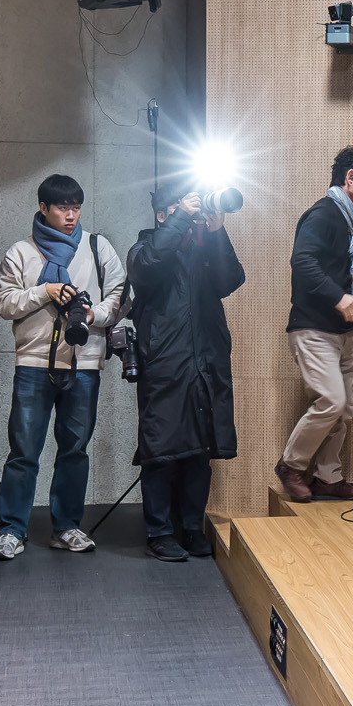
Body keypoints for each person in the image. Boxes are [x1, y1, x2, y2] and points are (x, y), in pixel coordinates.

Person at [0, 175, 126, 560]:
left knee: (74, 449)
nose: (71, 215)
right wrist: (44, 292)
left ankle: (66, 526)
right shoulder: (22, 251)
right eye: (63, 208)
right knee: (24, 450)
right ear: (43, 208)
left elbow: (119, 296)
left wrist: (91, 313)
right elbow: (4, 304)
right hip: (33, 363)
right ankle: (11, 530)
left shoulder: (97, 247)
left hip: (84, 363)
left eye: (76, 207)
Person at [127, 175, 245, 561]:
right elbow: (147, 269)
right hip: (165, 363)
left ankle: (192, 527)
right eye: (182, 206)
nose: (193, 209)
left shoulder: (203, 249)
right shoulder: (143, 247)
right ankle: (159, 531)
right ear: (163, 215)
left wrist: (215, 232)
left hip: (206, 361)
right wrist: (182, 219)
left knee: (200, 450)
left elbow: (230, 280)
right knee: (160, 450)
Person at [275, 146, 353, 504]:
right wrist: (340, 298)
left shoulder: (351, 225)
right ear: (351, 178)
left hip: (341, 332)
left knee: (344, 407)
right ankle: (291, 465)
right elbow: (302, 263)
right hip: (313, 328)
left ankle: (327, 477)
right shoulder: (323, 214)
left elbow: (343, 275)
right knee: (332, 401)